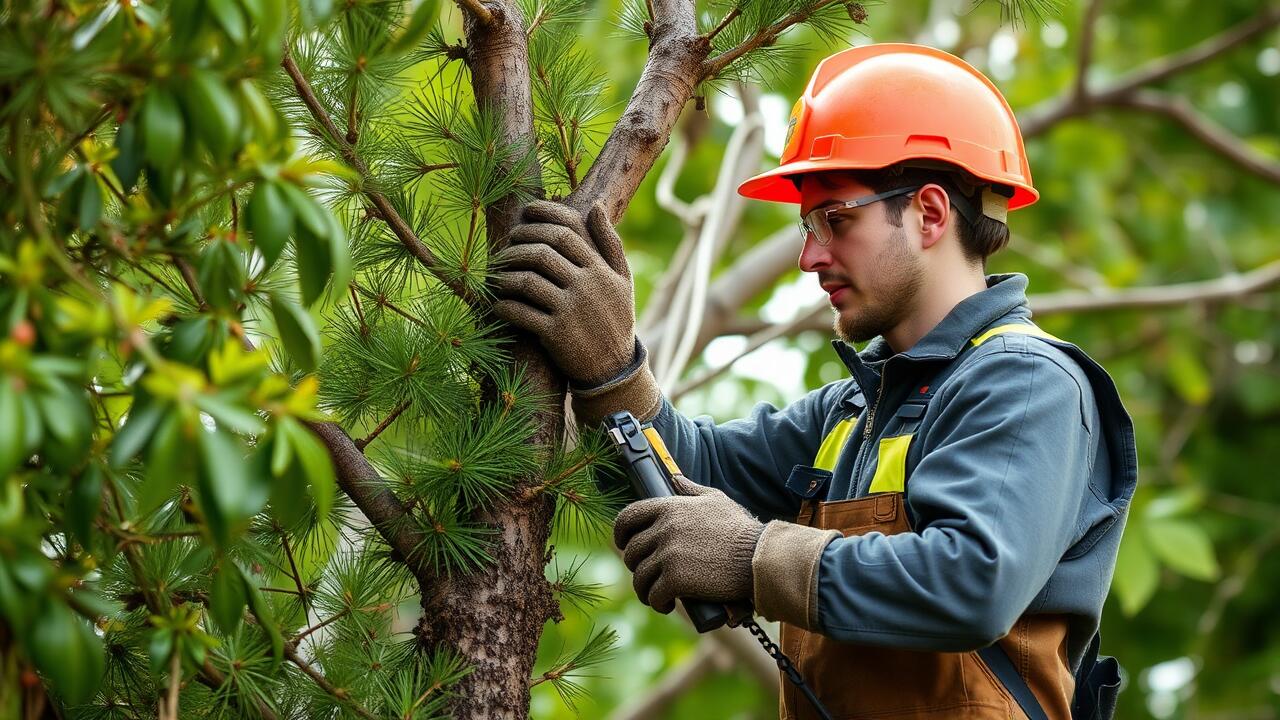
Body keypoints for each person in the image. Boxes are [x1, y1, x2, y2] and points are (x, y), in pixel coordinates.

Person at [490, 43, 1136, 719]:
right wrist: (610, 370)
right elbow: (689, 474)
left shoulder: (1029, 384)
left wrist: (752, 557)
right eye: (807, 225)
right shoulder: (854, 412)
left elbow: (972, 581)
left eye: (836, 219)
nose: (809, 256)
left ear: (932, 213)